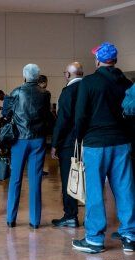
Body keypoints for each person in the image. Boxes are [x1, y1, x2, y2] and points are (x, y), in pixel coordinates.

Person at [72, 43, 135, 253]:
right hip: (122, 142)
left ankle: (95, 239)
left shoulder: (89, 82)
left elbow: (80, 115)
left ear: (98, 59)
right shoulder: (126, 83)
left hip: (95, 144)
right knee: (125, 188)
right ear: (114, 60)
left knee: (95, 191)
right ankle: (130, 236)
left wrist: (79, 137)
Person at [6, 64, 51, 229]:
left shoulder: (16, 92)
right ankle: (34, 221)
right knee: (35, 179)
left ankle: (11, 218)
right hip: (38, 139)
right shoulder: (45, 94)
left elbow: (6, 113)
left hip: (19, 140)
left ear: (24, 75)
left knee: (15, 179)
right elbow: (47, 116)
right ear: (38, 77)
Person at [50, 62, 84, 228]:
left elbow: (62, 120)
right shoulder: (89, 88)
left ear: (68, 75)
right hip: (89, 142)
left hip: (70, 143)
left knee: (69, 179)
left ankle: (70, 215)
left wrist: (55, 143)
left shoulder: (68, 92)